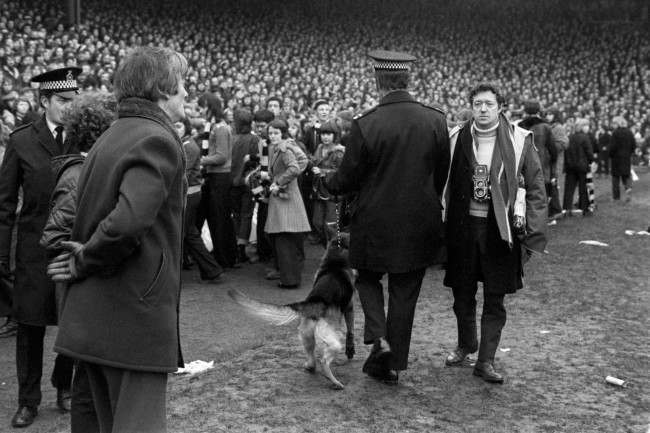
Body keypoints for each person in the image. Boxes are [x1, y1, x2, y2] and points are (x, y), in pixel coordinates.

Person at [46, 47, 188, 433]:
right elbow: (127, 222)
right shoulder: (156, 138)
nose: (187, 94)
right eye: (183, 85)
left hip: (96, 317)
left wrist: (84, 258)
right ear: (161, 89)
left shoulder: (112, 134)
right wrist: (85, 258)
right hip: (132, 318)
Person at [324, 50, 449, 384]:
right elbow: (441, 175)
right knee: (405, 290)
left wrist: (324, 181)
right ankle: (391, 362)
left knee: (367, 278)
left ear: (378, 82)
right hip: (420, 220)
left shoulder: (365, 123)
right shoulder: (435, 120)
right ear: (408, 80)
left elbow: (347, 179)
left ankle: (378, 337)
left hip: (374, 221)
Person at [443, 83, 547, 383]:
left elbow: (536, 186)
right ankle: (466, 344)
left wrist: (534, 232)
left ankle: (485, 360)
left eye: (489, 103)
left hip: (501, 229)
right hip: (463, 228)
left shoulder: (519, 139)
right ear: (471, 107)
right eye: (477, 104)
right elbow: (442, 182)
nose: (483, 109)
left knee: (494, 296)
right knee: (461, 292)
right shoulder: (456, 137)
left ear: (500, 106)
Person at [0, 66, 81, 428]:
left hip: (72, 247)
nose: (69, 107)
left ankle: (64, 386)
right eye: (62, 100)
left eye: (72, 100)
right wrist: (2, 256)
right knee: (30, 327)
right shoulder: (21, 141)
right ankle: (28, 401)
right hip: (33, 251)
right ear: (44, 100)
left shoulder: (83, 136)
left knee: (73, 323)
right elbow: (4, 205)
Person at [39, 90, 116, 433]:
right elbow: (54, 237)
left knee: (91, 376)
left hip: (83, 285)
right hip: (79, 284)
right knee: (88, 380)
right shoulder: (80, 174)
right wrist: (91, 251)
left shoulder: (90, 169)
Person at [174, 116, 224, 281]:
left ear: (187, 128)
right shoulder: (184, 144)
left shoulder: (188, 146)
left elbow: (183, 173)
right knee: (189, 233)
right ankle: (211, 270)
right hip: (189, 193)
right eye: (173, 125)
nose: (176, 129)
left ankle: (210, 270)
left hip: (189, 194)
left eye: (179, 125)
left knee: (185, 233)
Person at [264, 119, 311, 288]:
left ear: (282, 133)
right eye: (270, 133)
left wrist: (279, 182)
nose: (272, 136)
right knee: (283, 239)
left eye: (276, 133)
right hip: (284, 196)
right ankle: (288, 276)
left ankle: (289, 279)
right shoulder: (282, 147)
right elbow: (301, 163)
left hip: (285, 198)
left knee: (284, 240)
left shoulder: (284, 149)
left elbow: (294, 168)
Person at [200, 93, 239, 268]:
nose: (200, 111)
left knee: (220, 218)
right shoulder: (212, 126)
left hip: (220, 177)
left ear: (210, 107)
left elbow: (221, 156)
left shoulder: (221, 128)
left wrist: (201, 160)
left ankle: (225, 258)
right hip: (213, 176)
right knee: (215, 217)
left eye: (203, 107)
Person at [518, 101, 558, 221]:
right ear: (538, 110)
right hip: (541, 165)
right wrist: (552, 163)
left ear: (525, 111)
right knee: (541, 194)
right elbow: (552, 149)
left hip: (524, 165)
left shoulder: (519, 126)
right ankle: (541, 220)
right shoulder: (545, 127)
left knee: (525, 194)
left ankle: (525, 219)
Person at [230, 109, 259, 263]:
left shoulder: (232, 138)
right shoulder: (254, 139)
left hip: (232, 181)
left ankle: (235, 245)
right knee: (247, 214)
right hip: (248, 181)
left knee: (236, 214)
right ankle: (242, 246)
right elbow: (258, 161)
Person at [310, 120, 345, 247]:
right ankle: (325, 240)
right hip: (319, 190)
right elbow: (314, 162)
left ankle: (333, 247)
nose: (325, 137)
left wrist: (323, 172)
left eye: (329, 134)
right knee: (317, 221)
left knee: (331, 223)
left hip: (333, 192)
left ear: (335, 135)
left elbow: (341, 173)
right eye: (323, 134)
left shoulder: (339, 152)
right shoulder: (319, 148)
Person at [563, 118, 594, 216]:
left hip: (570, 167)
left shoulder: (569, 137)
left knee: (569, 189)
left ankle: (566, 208)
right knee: (583, 188)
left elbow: (566, 152)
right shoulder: (585, 138)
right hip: (582, 166)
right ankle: (583, 208)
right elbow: (589, 153)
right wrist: (590, 161)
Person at [609, 116, 635, 202]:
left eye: (614, 123)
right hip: (626, 158)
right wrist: (629, 153)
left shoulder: (615, 133)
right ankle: (628, 188)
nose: (613, 125)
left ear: (617, 123)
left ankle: (616, 197)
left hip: (616, 158)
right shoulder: (629, 132)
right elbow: (633, 145)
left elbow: (612, 147)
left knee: (615, 178)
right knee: (626, 175)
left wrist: (610, 155)